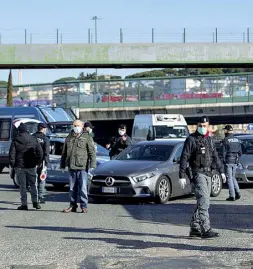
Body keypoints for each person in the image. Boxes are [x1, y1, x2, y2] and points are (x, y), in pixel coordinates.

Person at [179, 116, 226, 239]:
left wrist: (221, 171)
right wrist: (182, 175)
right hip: (198, 173)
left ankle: (195, 227)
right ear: (197, 126)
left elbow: (215, 156)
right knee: (204, 201)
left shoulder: (210, 140)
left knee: (203, 201)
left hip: (209, 173)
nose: (202, 128)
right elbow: (184, 157)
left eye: (205, 126)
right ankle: (206, 229)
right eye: (200, 126)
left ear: (208, 126)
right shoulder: (191, 140)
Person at [60, 120, 96, 213]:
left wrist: (92, 165)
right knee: (72, 188)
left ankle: (84, 206)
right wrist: (62, 165)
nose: (76, 127)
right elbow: (64, 153)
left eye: (78, 125)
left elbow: (92, 152)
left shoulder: (86, 137)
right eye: (75, 125)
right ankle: (72, 205)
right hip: (72, 167)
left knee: (83, 188)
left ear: (82, 126)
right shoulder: (69, 137)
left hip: (82, 167)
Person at [9, 123, 43, 210]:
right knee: (33, 184)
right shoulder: (33, 139)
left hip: (19, 166)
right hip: (31, 165)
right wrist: (38, 162)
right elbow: (40, 152)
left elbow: (12, 153)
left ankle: (24, 204)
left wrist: (13, 164)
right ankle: (35, 202)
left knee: (22, 186)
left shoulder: (16, 140)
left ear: (19, 130)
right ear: (27, 130)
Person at [221, 125, 242, 201]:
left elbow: (223, 152)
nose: (224, 131)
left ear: (227, 131)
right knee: (233, 177)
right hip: (235, 161)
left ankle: (232, 195)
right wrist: (237, 160)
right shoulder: (237, 140)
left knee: (229, 178)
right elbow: (240, 152)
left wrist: (223, 161)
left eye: (224, 130)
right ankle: (238, 193)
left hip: (228, 161)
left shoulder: (225, 140)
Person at [32, 122, 50, 204]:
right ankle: (40, 196)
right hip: (42, 162)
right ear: (43, 129)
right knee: (42, 180)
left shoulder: (32, 137)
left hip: (32, 162)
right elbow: (46, 152)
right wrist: (46, 163)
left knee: (33, 180)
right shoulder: (45, 138)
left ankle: (34, 197)